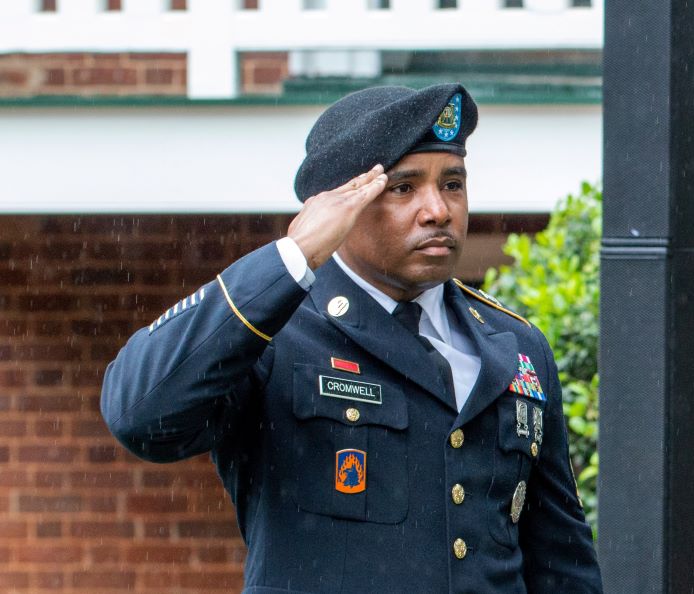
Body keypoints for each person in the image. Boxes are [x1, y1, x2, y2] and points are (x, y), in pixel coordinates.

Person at [101, 83, 603, 593]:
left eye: (452, 183)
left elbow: (561, 562)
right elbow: (140, 414)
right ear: (338, 207)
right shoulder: (277, 332)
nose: (438, 210)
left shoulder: (515, 345)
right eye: (403, 188)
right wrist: (292, 256)